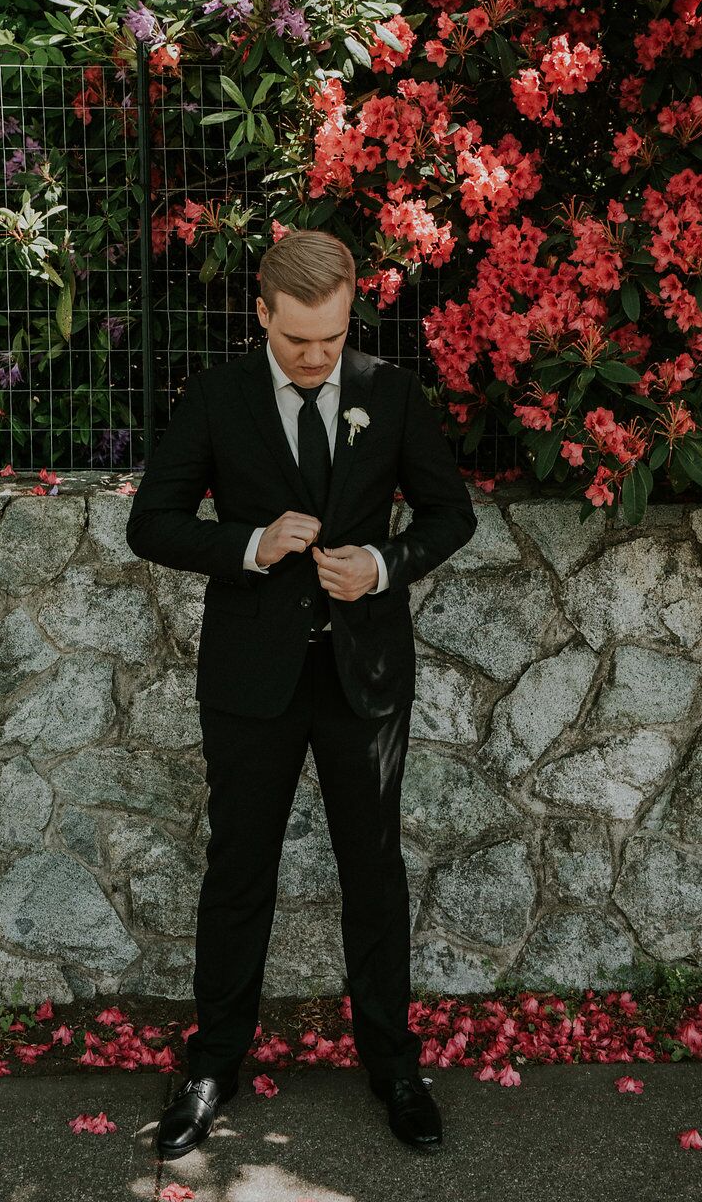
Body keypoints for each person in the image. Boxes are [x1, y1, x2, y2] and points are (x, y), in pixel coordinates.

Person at [125, 228, 478, 1160]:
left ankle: (396, 1068)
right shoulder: (215, 396)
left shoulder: (390, 394)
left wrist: (384, 564)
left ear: (350, 311)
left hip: (364, 681)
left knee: (375, 874)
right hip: (251, 681)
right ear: (263, 314)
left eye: (331, 339)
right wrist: (247, 545)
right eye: (297, 343)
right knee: (239, 873)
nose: (317, 359)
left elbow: (451, 513)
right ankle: (212, 1067)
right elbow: (150, 523)